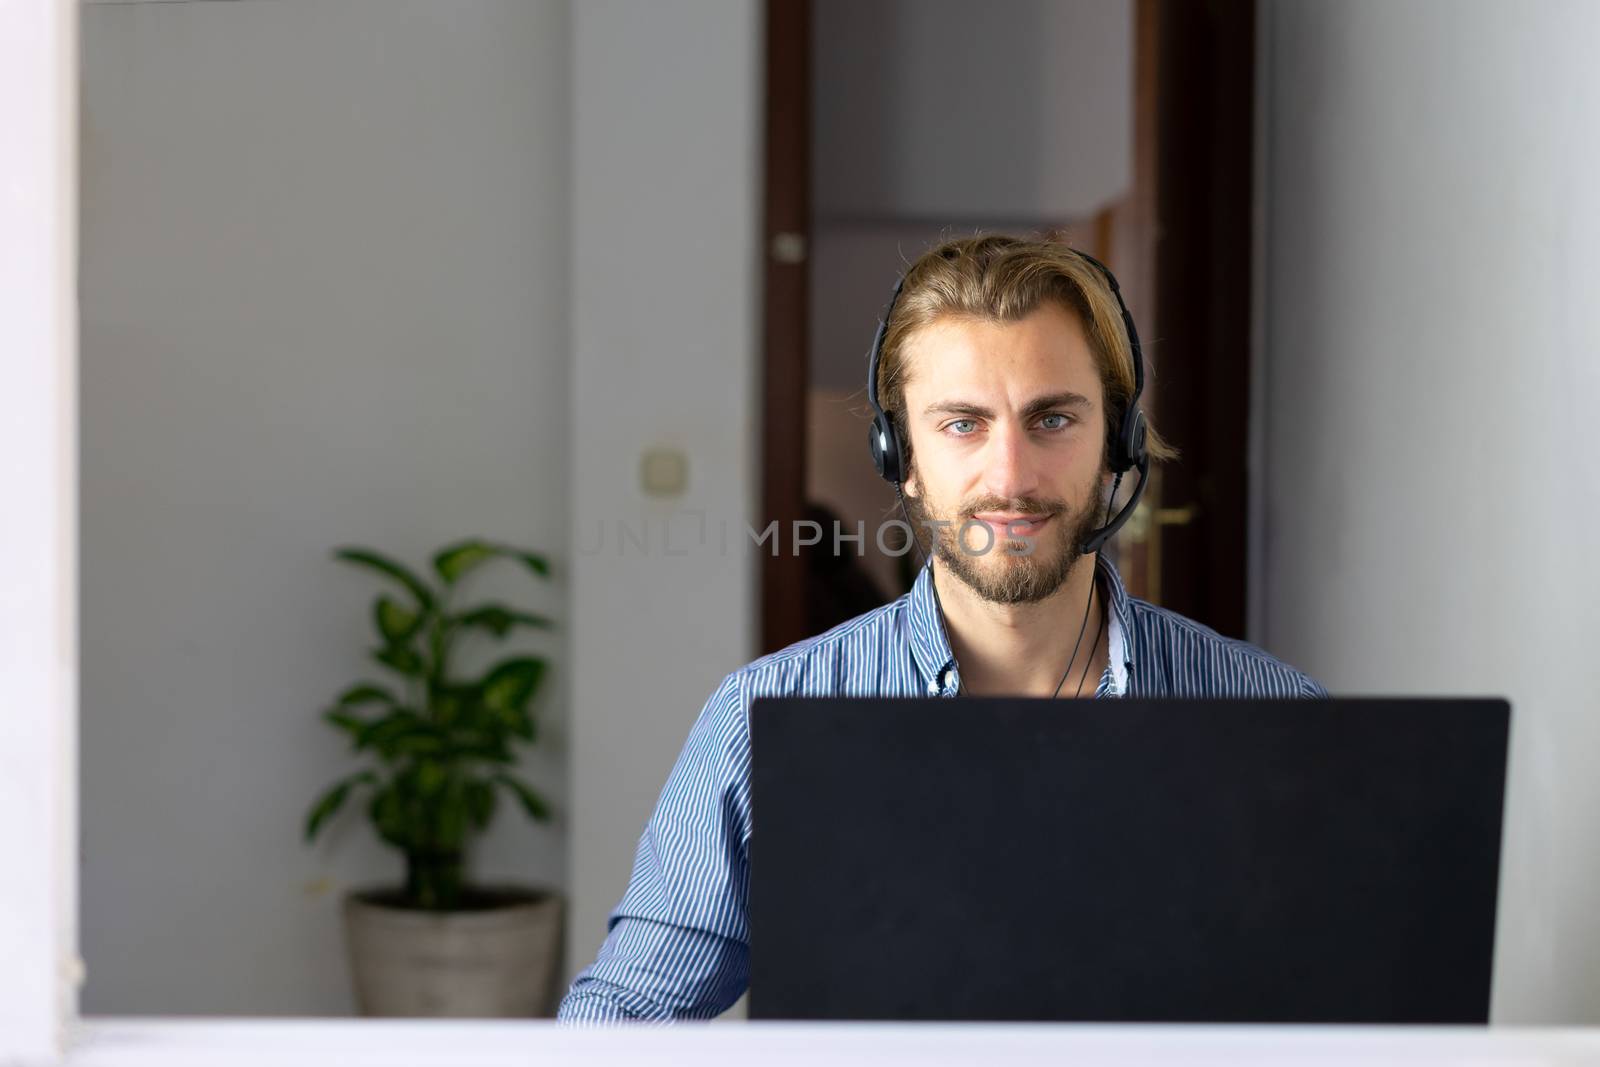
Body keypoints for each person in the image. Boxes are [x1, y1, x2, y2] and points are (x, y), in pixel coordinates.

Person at [558, 235, 1325, 1023]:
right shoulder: (762, 718)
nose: (1010, 477)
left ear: (1116, 446)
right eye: (962, 424)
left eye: (1052, 418)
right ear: (903, 458)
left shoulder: (1275, 715)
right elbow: (623, 1018)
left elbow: (1358, 1013)